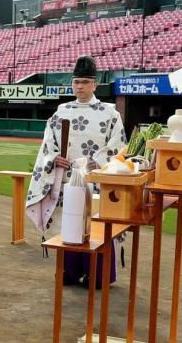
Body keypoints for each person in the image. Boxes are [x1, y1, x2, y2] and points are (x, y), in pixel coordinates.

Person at [26, 55, 127, 286]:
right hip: (67, 179)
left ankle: (99, 274)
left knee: (98, 224)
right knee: (68, 223)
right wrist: (54, 159)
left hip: (97, 178)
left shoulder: (110, 114)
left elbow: (119, 146)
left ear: (95, 84)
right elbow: (47, 145)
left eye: (84, 82)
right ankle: (68, 272)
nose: (79, 86)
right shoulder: (61, 112)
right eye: (76, 82)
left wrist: (98, 162)